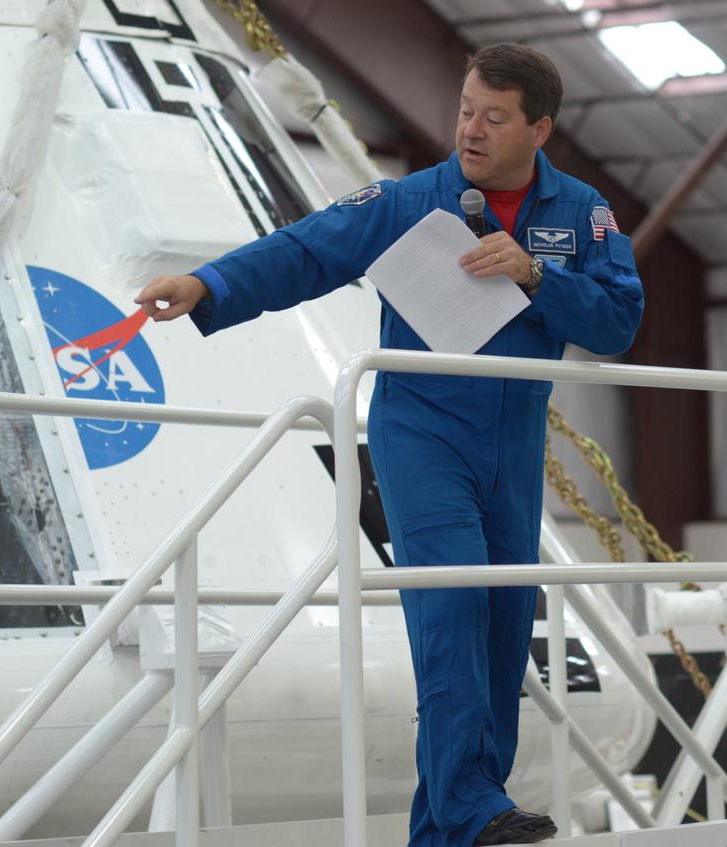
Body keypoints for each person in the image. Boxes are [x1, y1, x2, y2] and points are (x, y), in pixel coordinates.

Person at [135, 43, 644, 847]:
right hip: (422, 430)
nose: (471, 130)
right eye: (466, 110)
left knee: (507, 625)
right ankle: (477, 808)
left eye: (494, 117)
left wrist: (538, 278)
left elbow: (619, 320)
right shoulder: (412, 199)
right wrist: (209, 286)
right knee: (451, 611)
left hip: (513, 442)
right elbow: (307, 250)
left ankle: (453, 824)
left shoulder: (582, 214)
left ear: (539, 128)